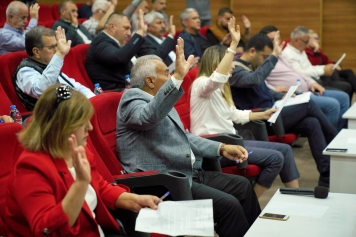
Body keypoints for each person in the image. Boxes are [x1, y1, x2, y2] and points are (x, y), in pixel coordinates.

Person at [116, 36, 261, 237]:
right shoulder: (132, 100)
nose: (170, 77)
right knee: (229, 206)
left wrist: (221, 148)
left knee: (243, 186)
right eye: (166, 74)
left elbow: (186, 137)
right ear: (149, 81)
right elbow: (148, 117)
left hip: (187, 172)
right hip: (165, 182)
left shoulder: (160, 102)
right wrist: (177, 78)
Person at [4, 84, 160, 236]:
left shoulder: (77, 149)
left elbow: (100, 187)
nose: (90, 128)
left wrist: (135, 200)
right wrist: (80, 185)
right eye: (82, 123)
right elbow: (45, 229)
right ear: (62, 127)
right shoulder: (31, 168)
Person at [190, 18, 299, 198]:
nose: (233, 64)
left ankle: (296, 196)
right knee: (275, 158)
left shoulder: (221, 87)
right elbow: (216, 78)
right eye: (230, 61)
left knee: (285, 150)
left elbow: (233, 114)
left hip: (231, 140)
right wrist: (234, 44)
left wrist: (262, 114)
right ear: (217, 63)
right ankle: (251, 202)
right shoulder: (201, 84)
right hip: (216, 146)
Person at [230, 33, 338, 187]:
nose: (266, 61)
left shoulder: (253, 66)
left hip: (272, 113)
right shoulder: (235, 69)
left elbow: (262, 90)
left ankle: (326, 176)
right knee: (309, 105)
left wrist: (281, 95)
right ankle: (335, 140)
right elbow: (254, 80)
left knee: (311, 122)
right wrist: (274, 56)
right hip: (259, 120)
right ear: (252, 51)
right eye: (264, 57)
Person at [260, 25, 349, 131]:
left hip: (308, 88)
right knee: (332, 104)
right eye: (271, 40)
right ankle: (330, 140)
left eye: (277, 39)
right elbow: (260, 79)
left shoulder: (279, 55)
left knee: (344, 97)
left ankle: (337, 134)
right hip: (295, 94)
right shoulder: (262, 58)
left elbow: (296, 72)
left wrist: (311, 82)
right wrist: (273, 89)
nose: (276, 43)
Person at [86, 10, 176, 90]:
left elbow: (136, 62)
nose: (129, 33)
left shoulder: (118, 42)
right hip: (116, 91)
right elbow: (119, 58)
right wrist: (140, 33)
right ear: (112, 27)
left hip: (132, 86)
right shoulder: (101, 42)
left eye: (130, 29)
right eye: (126, 28)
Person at [14, 26, 95, 111]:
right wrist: (60, 55)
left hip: (69, 111)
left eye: (56, 46)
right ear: (36, 52)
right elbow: (42, 90)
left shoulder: (48, 66)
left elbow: (75, 87)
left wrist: (93, 100)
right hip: (49, 119)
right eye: (52, 47)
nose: (56, 50)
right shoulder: (24, 71)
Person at [281, 26, 352, 99]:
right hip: (307, 87)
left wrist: (324, 67)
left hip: (314, 81)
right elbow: (300, 74)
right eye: (306, 42)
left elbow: (310, 68)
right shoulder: (288, 54)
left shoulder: (300, 51)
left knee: (345, 86)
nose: (307, 45)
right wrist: (322, 70)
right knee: (342, 95)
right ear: (296, 40)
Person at [306, 29, 356, 98]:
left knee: (348, 73)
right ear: (308, 39)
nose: (317, 41)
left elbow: (325, 60)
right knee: (347, 83)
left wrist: (333, 63)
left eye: (317, 38)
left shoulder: (317, 49)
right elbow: (314, 63)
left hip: (326, 71)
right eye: (315, 38)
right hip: (320, 76)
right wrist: (316, 51)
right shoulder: (306, 51)